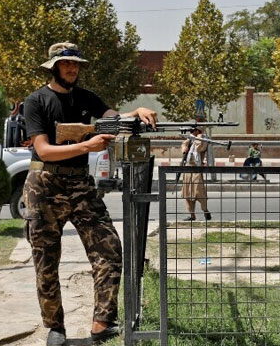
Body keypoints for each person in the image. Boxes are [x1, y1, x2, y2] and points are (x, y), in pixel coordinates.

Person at [22, 42, 157, 346]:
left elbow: (114, 117)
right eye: (66, 64)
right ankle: (55, 327)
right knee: (46, 261)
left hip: (81, 184)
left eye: (76, 64)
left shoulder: (87, 98)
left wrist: (136, 110)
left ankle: (102, 323)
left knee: (109, 248)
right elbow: (43, 149)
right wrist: (87, 146)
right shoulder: (36, 101)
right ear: (54, 66)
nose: (72, 69)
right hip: (44, 186)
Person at [181, 127, 212, 221]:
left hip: (197, 168)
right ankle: (192, 215)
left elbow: (199, 148)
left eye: (194, 130)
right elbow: (183, 150)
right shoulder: (189, 140)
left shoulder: (202, 139)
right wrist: (185, 145)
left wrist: (199, 136)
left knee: (199, 191)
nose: (192, 132)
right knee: (187, 193)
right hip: (188, 168)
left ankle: (205, 210)